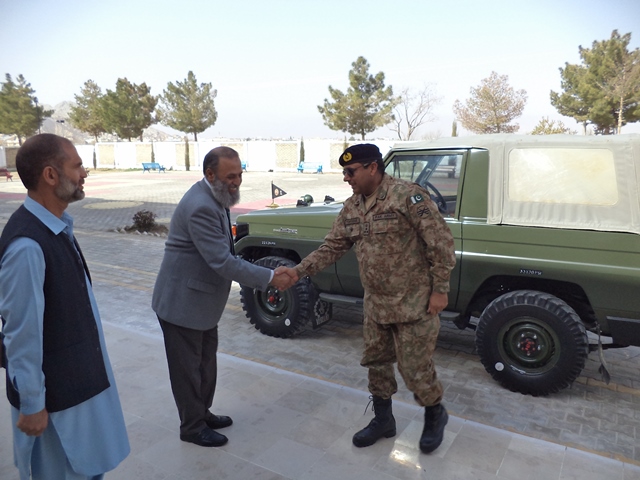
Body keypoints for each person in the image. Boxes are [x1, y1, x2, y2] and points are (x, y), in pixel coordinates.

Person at [280, 144, 456, 453]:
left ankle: (434, 414)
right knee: (377, 365)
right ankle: (383, 420)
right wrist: (298, 271)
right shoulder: (352, 207)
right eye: (345, 173)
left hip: (414, 303)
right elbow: (333, 246)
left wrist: (440, 289)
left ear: (372, 167)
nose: (346, 178)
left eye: (351, 171)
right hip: (376, 305)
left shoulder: (407, 196)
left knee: (415, 369)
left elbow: (440, 242)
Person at [0, 134, 130, 479]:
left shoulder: (55, 228)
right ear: (50, 175)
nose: (84, 173)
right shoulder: (27, 246)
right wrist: (32, 404)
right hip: (56, 407)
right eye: (77, 166)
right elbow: (21, 335)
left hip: (78, 390)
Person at [152, 146, 294, 448]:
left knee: (205, 366)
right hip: (182, 304)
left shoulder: (214, 197)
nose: (237, 182)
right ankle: (192, 427)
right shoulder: (200, 206)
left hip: (201, 303)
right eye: (230, 176)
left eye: (240, 175)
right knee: (188, 371)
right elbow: (222, 262)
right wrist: (270, 277)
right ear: (210, 174)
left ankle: (202, 413)